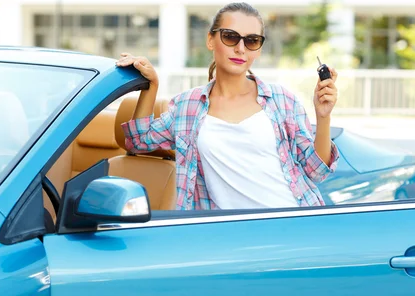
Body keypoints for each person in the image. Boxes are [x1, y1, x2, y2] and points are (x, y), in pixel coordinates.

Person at [116, 2, 339, 211]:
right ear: (211, 40)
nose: (241, 48)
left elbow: (316, 171)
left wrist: (323, 116)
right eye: (230, 37)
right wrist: (151, 85)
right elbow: (137, 141)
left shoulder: (282, 100)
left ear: (258, 49)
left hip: (294, 223)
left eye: (251, 41)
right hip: (228, 237)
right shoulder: (187, 106)